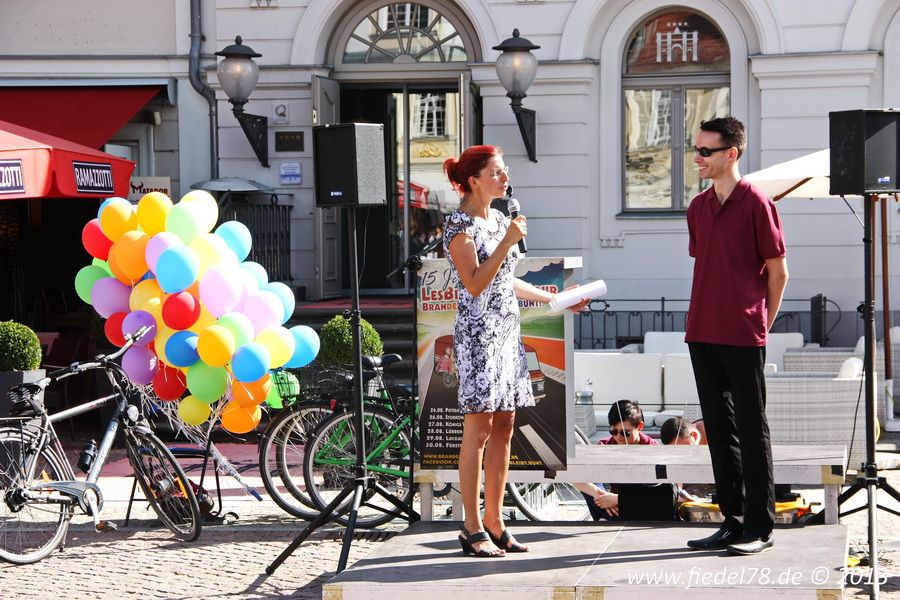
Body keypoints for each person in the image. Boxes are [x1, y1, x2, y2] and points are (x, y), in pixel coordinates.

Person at [442, 145, 589, 558]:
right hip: (478, 336)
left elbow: (507, 280)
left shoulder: (499, 219)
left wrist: (556, 299)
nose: (505, 178)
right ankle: (471, 525)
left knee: (505, 425)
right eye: (497, 172)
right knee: (479, 429)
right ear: (474, 181)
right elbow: (475, 283)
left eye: (504, 171)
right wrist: (507, 241)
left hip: (506, 333)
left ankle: (495, 520)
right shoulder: (459, 224)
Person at [684, 116, 789, 556]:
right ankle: (734, 519)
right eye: (696, 149)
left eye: (705, 151)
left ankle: (761, 527)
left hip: (744, 334)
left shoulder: (758, 203)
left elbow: (779, 273)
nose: (697, 158)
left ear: (732, 153)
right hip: (701, 331)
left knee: (751, 429)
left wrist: (762, 324)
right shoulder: (698, 207)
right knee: (719, 430)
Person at [575, 399, 660, 520]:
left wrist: (618, 499)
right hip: (612, 506)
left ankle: (606, 518)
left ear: (640, 426)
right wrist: (599, 495)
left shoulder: (652, 448)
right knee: (587, 480)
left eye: (625, 433)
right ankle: (607, 516)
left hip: (641, 507)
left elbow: (657, 492)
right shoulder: (606, 445)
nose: (619, 437)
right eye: (613, 431)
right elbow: (575, 475)